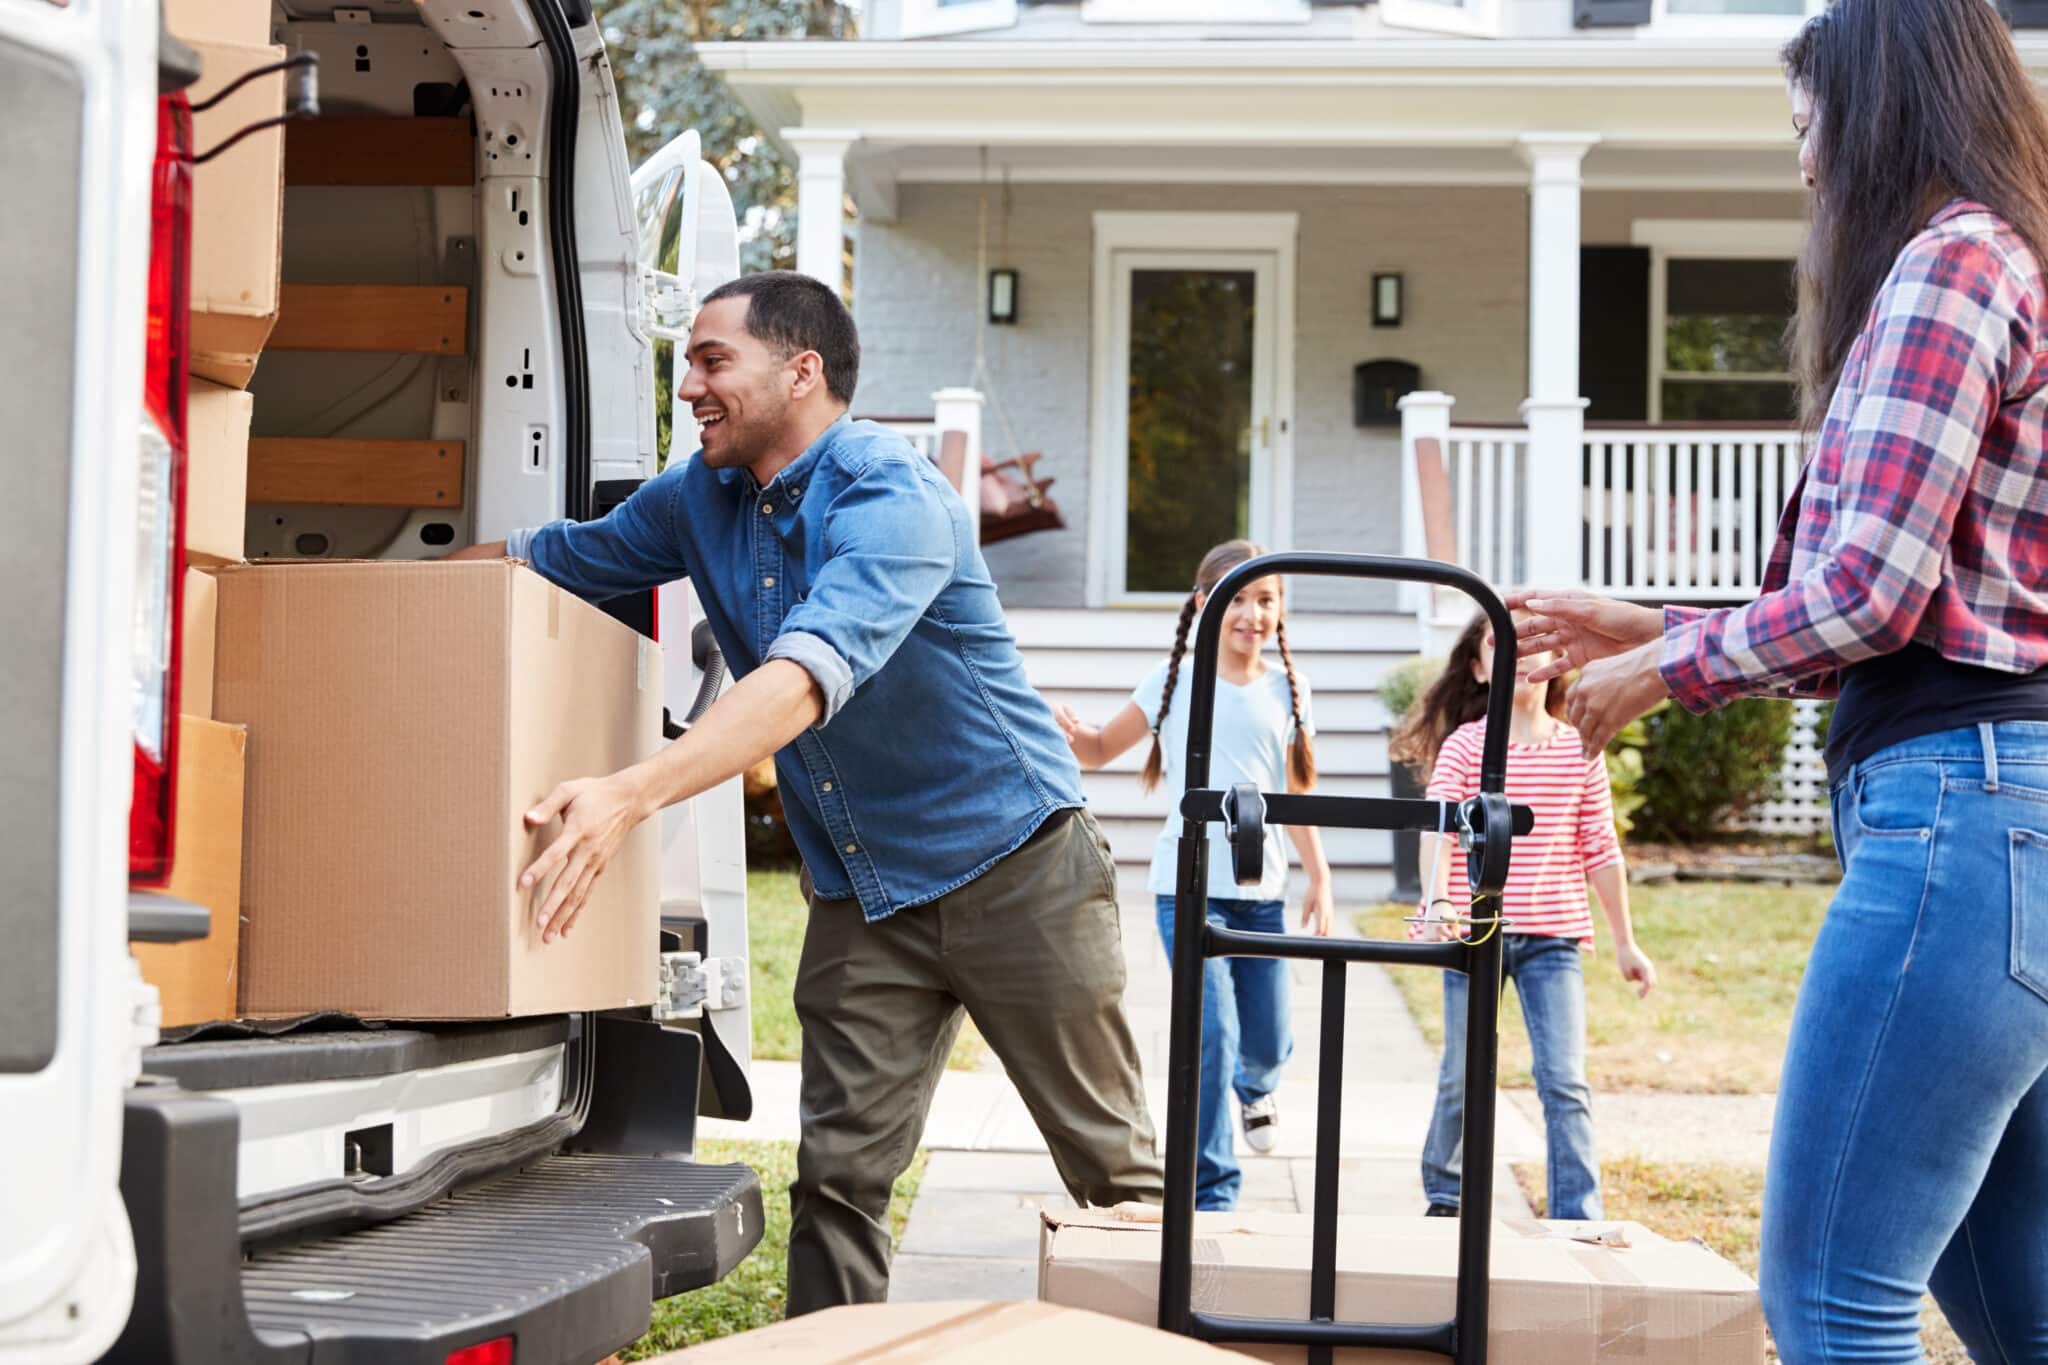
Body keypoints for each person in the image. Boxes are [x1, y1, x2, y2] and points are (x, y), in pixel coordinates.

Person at [453, 271, 1162, 1311]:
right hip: (866, 894)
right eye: (683, 359)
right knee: (837, 1181)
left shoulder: (889, 492)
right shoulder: (701, 495)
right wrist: (353, 591)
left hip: (1017, 868)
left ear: (801, 370)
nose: (686, 384)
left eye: (709, 360)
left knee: (1112, 1178)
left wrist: (631, 792)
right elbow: (551, 562)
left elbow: (801, 679)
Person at [1509, 1, 2048, 1355]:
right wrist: (1644, 628)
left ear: (1876, 113)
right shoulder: (2008, 261)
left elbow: (1866, 601)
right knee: (2017, 1312)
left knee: (1832, 1297)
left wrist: (1652, 680)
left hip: (1963, 830)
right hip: (2011, 825)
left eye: (1807, 125)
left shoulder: (1949, 268)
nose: (1803, 163)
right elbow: (1911, 607)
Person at [1053, 539, 1334, 1210]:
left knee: (1266, 1040)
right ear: (1204, 604)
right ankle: (1214, 1192)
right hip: (1187, 887)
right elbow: (1097, 747)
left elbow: (1296, 787)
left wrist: (1319, 874)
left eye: (1265, 600)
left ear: (1281, 612)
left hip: (1262, 893)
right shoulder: (1172, 680)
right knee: (1214, 1032)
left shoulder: (1288, 688)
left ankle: (1257, 1087)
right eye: (1236, 598)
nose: (1251, 613)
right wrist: (1064, 728)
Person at [1390, 612, 1654, 1222]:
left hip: (1552, 936)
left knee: (1564, 1081)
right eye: (1500, 646)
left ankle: (1576, 1216)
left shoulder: (1578, 749)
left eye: (1535, 646)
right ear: (1481, 669)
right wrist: (1437, 904)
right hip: (1472, 931)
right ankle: (1446, 1196)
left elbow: (1601, 848)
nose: (1518, 657)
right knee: (1462, 1071)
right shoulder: (1464, 746)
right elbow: (1440, 831)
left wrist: (1626, 944)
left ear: (1557, 664)